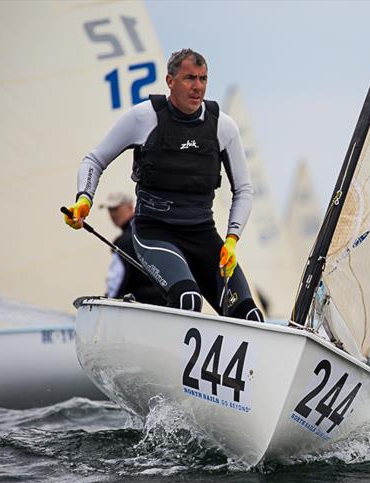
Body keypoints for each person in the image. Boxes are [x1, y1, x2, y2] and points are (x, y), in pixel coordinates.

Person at [64, 49, 263, 321]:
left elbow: (244, 190)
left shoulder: (223, 126)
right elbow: (94, 160)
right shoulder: (143, 117)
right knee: (188, 299)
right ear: (170, 81)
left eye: (203, 79)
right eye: (189, 78)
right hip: (154, 232)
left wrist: (232, 238)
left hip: (203, 234)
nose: (198, 87)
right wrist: (84, 199)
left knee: (250, 316)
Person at [101, 191, 165, 305]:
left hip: (140, 309)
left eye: (116, 209)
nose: (112, 214)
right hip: (165, 305)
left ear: (130, 206)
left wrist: (107, 302)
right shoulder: (151, 229)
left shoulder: (124, 241)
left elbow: (116, 281)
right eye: (109, 210)